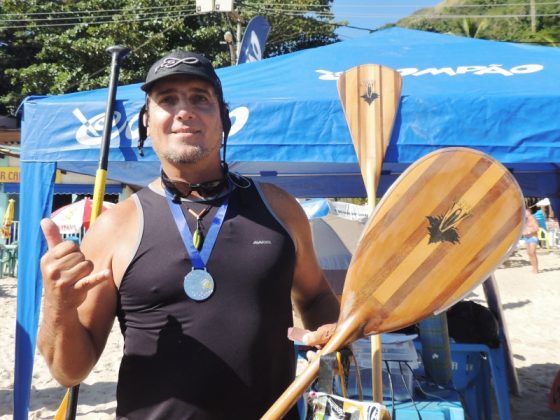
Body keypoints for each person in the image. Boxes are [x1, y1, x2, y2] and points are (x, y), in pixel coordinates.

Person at [38, 51, 340, 419]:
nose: (184, 111)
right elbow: (70, 371)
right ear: (146, 122)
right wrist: (58, 306)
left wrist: (331, 334)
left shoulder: (279, 209)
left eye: (200, 97)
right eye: (167, 100)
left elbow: (317, 296)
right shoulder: (114, 226)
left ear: (224, 119)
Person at [522, 208, 540, 273]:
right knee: (529, 253)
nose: (524, 213)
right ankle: (533, 267)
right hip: (526, 238)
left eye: (525, 212)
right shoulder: (525, 219)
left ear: (529, 212)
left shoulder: (533, 218)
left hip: (533, 237)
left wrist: (529, 232)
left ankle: (536, 269)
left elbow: (537, 228)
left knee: (532, 253)